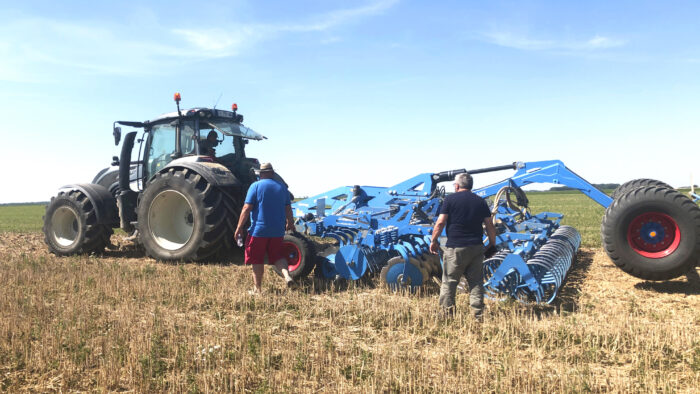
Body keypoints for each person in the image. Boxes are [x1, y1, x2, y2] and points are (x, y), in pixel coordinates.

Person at [429, 172, 497, 320]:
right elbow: (490, 225)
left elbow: (440, 223)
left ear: (457, 185)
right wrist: (492, 243)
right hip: (476, 248)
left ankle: (447, 315)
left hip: (456, 249)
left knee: (449, 283)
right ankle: (478, 315)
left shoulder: (450, 200)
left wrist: (434, 241)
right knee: (476, 283)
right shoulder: (480, 202)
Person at [234, 162, 296, 294]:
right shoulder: (281, 188)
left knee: (257, 259)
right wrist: (290, 223)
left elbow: (246, 208)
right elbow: (288, 209)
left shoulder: (255, 186)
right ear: (272, 173)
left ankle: (257, 289)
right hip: (278, 231)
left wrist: (239, 227)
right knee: (278, 256)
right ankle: (287, 275)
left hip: (259, 232)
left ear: (261, 174)